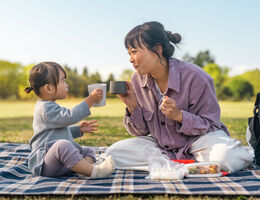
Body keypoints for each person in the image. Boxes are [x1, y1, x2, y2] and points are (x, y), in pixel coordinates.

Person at [105, 21, 253, 173]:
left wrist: (180, 116)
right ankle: (190, 165)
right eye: (129, 53)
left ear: (157, 49)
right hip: (161, 146)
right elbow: (141, 132)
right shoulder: (137, 80)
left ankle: (171, 165)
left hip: (199, 141)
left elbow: (211, 125)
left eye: (134, 51)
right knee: (114, 154)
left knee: (226, 157)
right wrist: (132, 105)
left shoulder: (196, 77)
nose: (131, 59)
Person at [25, 62, 114, 178]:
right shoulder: (45, 109)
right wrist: (90, 99)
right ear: (49, 88)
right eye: (63, 81)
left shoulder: (50, 106)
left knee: (87, 151)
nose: (67, 85)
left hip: (60, 164)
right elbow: (70, 116)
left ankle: (83, 169)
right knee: (63, 145)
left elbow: (56, 133)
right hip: (46, 164)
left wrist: (78, 130)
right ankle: (95, 172)